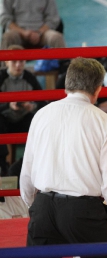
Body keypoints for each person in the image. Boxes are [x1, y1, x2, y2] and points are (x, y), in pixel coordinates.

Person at [19, 57, 107, 258]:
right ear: (98, 88)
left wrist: (33, 208)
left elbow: (27, 171)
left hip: (43, 207)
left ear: (67, 83)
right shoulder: (103, 121)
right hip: (81, 212)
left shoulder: (41, 114)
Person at [0, 44, 46, 176]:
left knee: (38, 122)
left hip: (24, 119)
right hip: (5, 120)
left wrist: (32, 106)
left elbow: (43, 103)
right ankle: (3, 166)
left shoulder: (29, 77)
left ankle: (32, 164)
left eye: (21, 61)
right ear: (6, 62)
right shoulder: (1, 77)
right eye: (14, 61)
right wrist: (8, 106)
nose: (18, 65)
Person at [0, 0, 66, 50]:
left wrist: (39, 33)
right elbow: (4, 18)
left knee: (57, 37)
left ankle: (65, 65)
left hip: (41, 32)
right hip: (18, 32)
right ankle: (3, 67)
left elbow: (53, 18)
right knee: (7, 37)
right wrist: (23, 33)